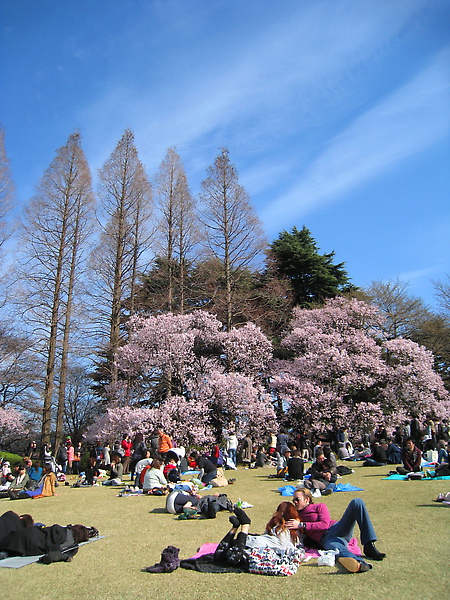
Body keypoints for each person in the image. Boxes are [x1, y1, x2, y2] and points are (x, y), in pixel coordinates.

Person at [286, 488, 385, 573]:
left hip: (336, 528)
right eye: (293, 500)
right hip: (325, 539)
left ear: (307, 499)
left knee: (357, 502)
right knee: (337, 549)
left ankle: (369, 545)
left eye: (297, 500)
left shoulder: (319, 506)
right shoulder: (296, 515)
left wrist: (301, 525)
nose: (294, 502)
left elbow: (324, 524)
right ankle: (359, 563)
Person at [0, 522, 98, 563]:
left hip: (31, 532)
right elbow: (52, 555)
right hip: (34, 543)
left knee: (7, 541)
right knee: (11, 548)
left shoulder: (64, 530)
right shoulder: (71, 543)